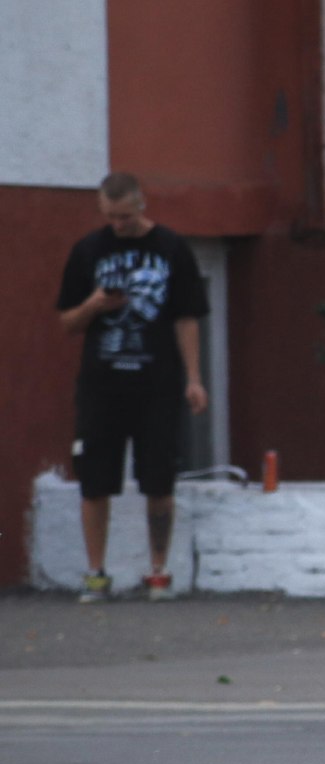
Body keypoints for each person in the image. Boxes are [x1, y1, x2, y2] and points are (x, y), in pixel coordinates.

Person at [56, 171, 210, 603]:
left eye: (124, 216)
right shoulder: (88, 250)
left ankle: (158, 571)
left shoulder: (172, 248)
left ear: (142, 204)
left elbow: (186, 316)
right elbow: (67, 322)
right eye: (110, 217)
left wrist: (194, 379)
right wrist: (94, 304)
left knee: (159, 481)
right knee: (95, 482)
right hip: (101, 386)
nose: (118, 225)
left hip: (157, 384)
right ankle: (95, 574)